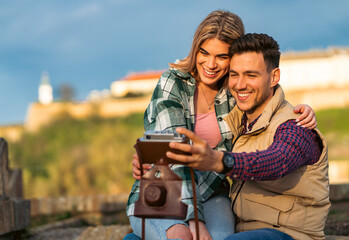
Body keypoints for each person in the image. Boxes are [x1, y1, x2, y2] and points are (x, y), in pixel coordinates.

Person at [125, 10, 317, 240]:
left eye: (222, 57)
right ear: (195, 49)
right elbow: (172, 154)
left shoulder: (232, 91)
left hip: (212, 191)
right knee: (181, 236)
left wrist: (301, 109)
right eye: (203, 53)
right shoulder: (172, 83)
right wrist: (194, 219)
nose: (211, 64)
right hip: (166, 189)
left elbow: (265, 95)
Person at [166, 33, 330, 240]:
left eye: (251, 75)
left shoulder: (297, 126)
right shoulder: (235, 123)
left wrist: (220, 161)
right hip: (239, 233)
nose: (240, 84)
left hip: (287, 235)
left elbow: (277, 161)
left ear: (274, 77)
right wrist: (150, 163)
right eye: (234, 75)